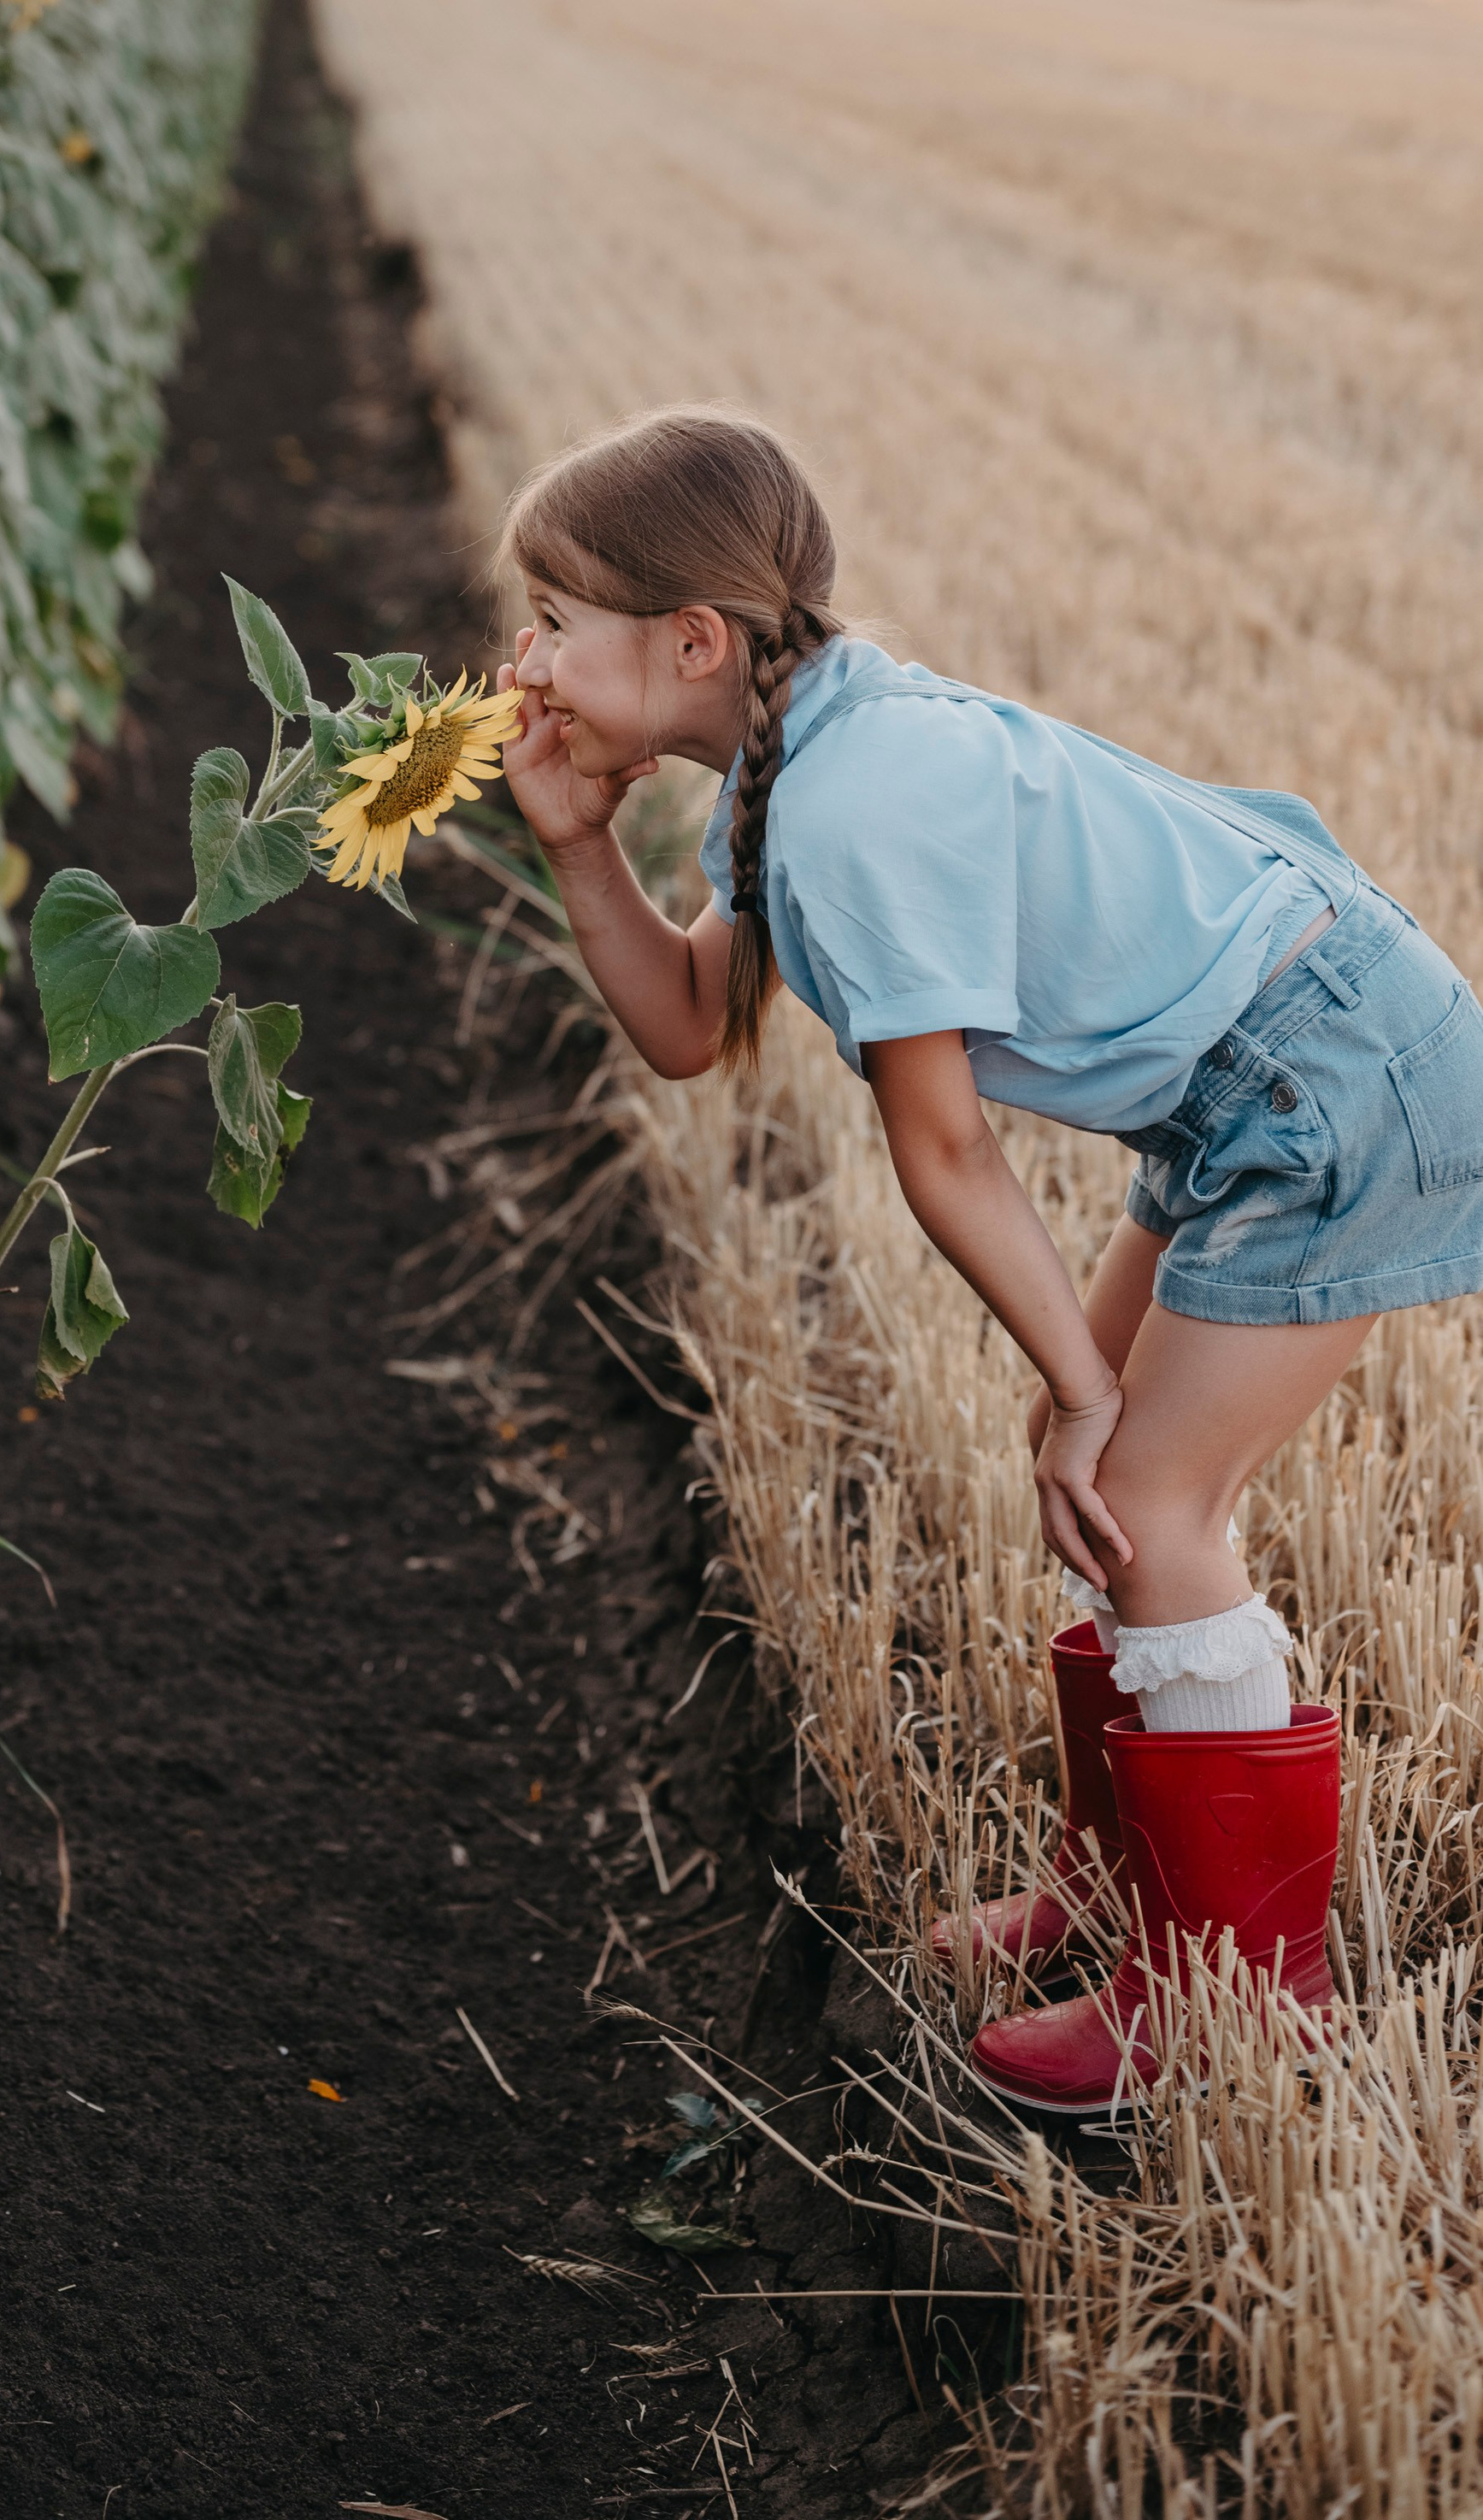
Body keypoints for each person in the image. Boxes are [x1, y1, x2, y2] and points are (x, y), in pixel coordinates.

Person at [492, 404, 1483, 2117]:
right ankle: (1124, 1893)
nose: (522, 656)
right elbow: (686, 1025)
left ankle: (1247, 1997)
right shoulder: (782, 755)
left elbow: (941, 1148)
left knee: (1145, 1502)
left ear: (691, 642)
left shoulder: (847, 805)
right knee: (1083, 1469)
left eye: (549, 618)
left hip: (1327, 1081)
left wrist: (1090, 1383)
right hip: (1246, 1073)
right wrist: (576, 840)